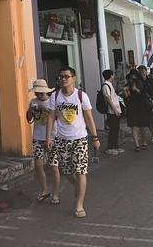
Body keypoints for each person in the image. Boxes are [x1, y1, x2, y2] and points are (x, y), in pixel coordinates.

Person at [46, 66, 101, 218]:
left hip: (80, 139)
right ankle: (78, 187)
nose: (63, 79)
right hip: (61, 139)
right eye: (61, 76)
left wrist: (95, 138)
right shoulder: (55, 96)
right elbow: (51, 117)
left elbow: (89, 117)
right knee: (66, 171)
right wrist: (48, 137)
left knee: (81, 171)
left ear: (73, 78)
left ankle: (79, 204)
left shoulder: (81, 96)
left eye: (67, 76)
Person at [26, 79, 58, 202]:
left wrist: (44, 108)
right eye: (37, 93)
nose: (39, 95)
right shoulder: (33, 102)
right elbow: (29, 119)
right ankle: (45, 190)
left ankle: (55, 193)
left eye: (41, 93)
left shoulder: (52, 102)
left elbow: (56, 117)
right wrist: (30, 110)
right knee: (38, 165)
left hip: (52, 137)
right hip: (37, 137)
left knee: (54, 166)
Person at [123, 69, 152, 151]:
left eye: (135, 76)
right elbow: (126, 98)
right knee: (134, 126)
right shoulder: (127, 85)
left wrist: (136, 89)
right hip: (132, 107)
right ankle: (137, 145)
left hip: (141, 106)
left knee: (142, 126)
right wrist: (125, 91)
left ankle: (144, 142)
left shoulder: (142, 84)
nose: (133, 78)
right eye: (131, 77)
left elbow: (145, 94)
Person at [101, 70, 123, 155]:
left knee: (116, 129)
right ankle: (110, 148)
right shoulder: (105, 86)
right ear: (110, 76)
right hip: (111, 112)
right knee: (112, 130)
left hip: (115, 110)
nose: (114, 76)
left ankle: (115, 146)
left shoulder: (109, 85)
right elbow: (109, 100)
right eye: (113, 75)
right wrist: (115, 110)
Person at [138, 65, 153, 145]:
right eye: (140, 71)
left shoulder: (151, 81)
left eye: (143, 70)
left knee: (152, 120)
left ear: (146, 71)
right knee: (143, 121)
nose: (142, 72)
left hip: (151, 102)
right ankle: (144, 139)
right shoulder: (137, 81)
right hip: (141, 103)